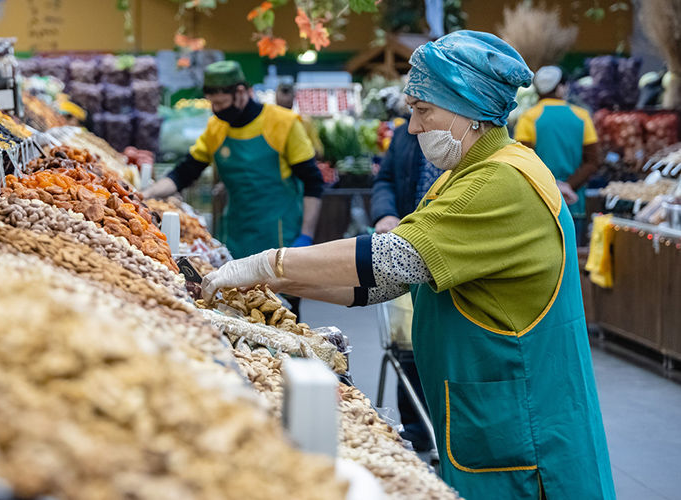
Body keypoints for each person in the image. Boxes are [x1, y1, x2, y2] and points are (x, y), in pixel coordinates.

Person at [201, 31, 615, 500]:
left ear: (469, 110)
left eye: (423, 110)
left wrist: (268, 263)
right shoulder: (464, 174)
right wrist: (266, 288)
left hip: (529, 436)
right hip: (494, 418)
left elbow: (388, 259)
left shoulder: (502, 182)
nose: (413, 127)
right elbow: (380, 286)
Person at [142, 61, 324, 261]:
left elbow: (313, 181)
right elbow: (185, 172)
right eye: (212, 103)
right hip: (235, 236)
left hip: (280, 237)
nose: (215, 109)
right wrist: (146, 194)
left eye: (220, 103)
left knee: (278, 291)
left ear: (240, 92)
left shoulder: (285, 122)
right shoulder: (216, 127)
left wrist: (306, 235)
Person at [371, 120, 444, 452]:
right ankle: (416, 428)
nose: (414, 120)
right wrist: (385, 214)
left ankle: (446, 430)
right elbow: (385, 179)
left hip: (449, 253)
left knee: (442, 341)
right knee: (409, 344)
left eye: (422, 107)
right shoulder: (404, 135)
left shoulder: (464, 141)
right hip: (404, 253)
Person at [514, 66, 600, 245]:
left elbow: (522, 160)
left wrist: (551, 186)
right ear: (560, 88)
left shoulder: (528, 118)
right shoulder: (582, 116)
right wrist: (567, 186)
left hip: (539, 202)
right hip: (573, 203)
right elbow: (592, 162)